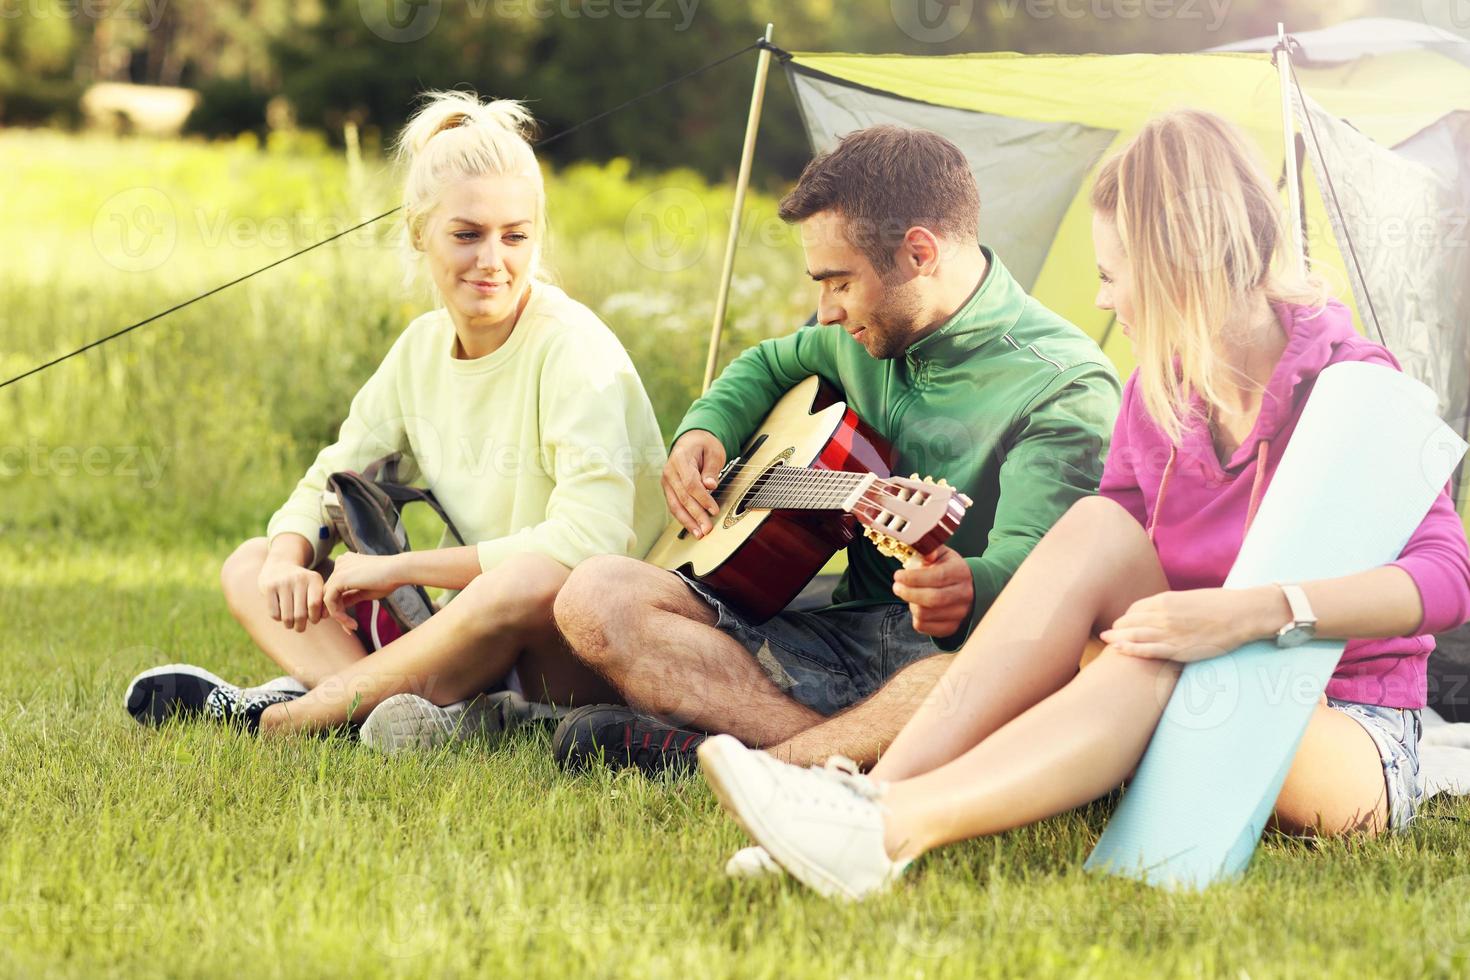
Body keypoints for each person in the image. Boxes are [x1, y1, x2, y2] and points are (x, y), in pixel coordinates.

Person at [694, 109, 1470, 900]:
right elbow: (1094, 567)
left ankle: (886, 827)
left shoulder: (1353, 386)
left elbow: (1446, 580)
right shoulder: (1157, 390)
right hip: (1188, 676)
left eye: (1111, 273)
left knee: (1152, 658)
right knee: (1100, 530)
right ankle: (865, 797)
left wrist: (1253, 613)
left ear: (1177, 267)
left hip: (1341, 730)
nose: (1104, 299)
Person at [551, 125, 1122, 776]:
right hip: (834, 639)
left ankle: (746, 760)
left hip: (943, 664)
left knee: (951, 686)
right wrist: (706, 428)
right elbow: (767, 363)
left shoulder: (1063, 386)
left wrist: (969, 584)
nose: (823, 312)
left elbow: (1042, 579)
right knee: (595, 596)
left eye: (839, 283)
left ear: (918, 253)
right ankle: (826, 757)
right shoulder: (857, 333)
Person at [123, 91, 667, 746]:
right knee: (249, 563)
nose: (492, 259)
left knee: (528, 577)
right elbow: (332, 477)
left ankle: (298, 715)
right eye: (467, 235)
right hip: (476, 637)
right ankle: (396, 713)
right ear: (419, 232)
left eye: (515, 236)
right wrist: (288, 558)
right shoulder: (418, 352)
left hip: (582, 648)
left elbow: (591, 542)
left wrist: (398, 570)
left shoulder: (571, 347)